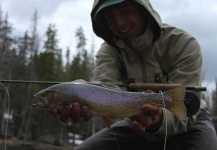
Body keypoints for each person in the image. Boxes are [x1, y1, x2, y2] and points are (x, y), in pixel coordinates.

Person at [54, 0, 217, 149]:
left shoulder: (183, 44)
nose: (120, 23)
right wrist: (85, 92)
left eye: (125, 11)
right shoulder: (109, 50)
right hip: (135, 122)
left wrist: (158, 119)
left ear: (143, 10)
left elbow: (186, 108)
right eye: (110, 17)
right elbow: (104, 85)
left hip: (191, 124)